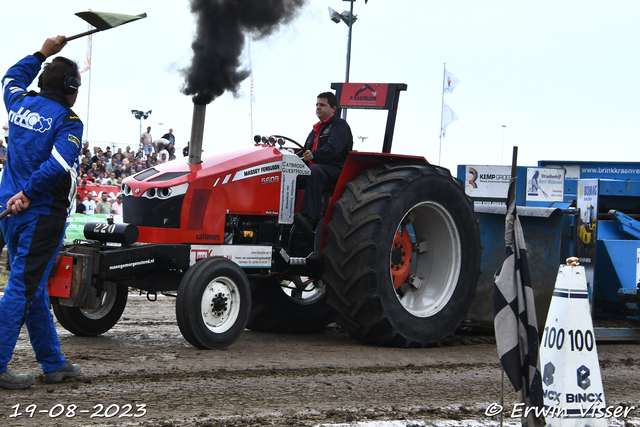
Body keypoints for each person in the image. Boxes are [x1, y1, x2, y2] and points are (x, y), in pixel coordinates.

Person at [0, 35, 83, 390]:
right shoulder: (68, 121)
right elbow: (56, 167)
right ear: (70, 88)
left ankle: (53, 363)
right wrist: (30, 194)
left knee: (32, 288)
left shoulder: (19, 101)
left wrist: (42, 53)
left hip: (11, 212)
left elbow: (9, 78)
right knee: (21, 287)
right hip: (41, 215)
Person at [294, 92, 353, 232]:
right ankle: (285, 214)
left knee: (316, 171)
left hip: (336, 170)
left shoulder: (340, 125)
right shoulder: (315, 130)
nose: (318, 108)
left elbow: (333, 148)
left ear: (333, 109)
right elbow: (304, 153)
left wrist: (313, 155)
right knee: (290, 174)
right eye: (316, 105)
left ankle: (308, 217)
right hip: (316, 169)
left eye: (322, 105)